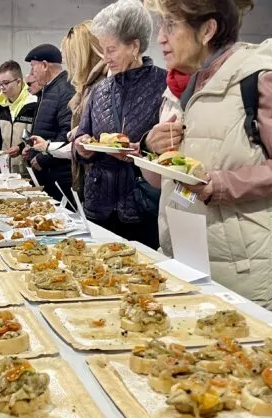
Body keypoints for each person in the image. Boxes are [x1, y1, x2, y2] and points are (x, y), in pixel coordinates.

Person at [142, 0, 272, 311]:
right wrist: (155, 148)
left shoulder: (259, 77)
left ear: (207, 30)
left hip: (239, 270)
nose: (160, 38)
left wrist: (220, 185)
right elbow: (169, 179)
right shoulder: (192, 82)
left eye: (170, 25)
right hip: (185, 255)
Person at [74, 0, 166, 248]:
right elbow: (83, 135)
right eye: (102, 49)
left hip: (141, 207)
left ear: (135, 46)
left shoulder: (163, 86)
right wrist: (82, 147)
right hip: (98, 206)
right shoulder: (100, 90)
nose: (105, 58)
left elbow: (174, 149)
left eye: (111, 50)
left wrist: (142, 150)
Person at [22, 44, 75, 205]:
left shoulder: (65, 91)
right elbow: (46, 128)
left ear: (45, 65)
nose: (32, 74)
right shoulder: (48, 90)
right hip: (46, 172)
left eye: (33, 67)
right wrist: (30, 146)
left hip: (58, 175)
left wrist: (43, 157)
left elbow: (66, 133)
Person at [62, 21, 108, 195]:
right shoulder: (88, 87)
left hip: (98, 183)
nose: (69, 64)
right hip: (90, 180)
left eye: (71, 57)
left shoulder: (101, 86)